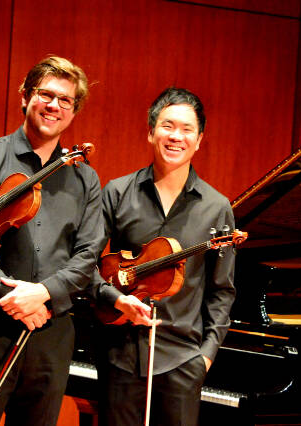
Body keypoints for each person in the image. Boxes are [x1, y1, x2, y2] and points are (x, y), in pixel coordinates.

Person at [0, 55, 151, 426]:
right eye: (45, 95)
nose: (54, 106)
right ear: (25, 97)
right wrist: (7, 293)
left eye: (65, 100)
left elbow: (86, 257)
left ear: (73, 112)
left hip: (51, 334)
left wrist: (41, 294)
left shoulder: (85, 179)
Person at [95, 87, 237, 425]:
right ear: (151, 131)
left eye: (187, 129)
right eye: (167, 126)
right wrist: (116, 300)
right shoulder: (117, 192)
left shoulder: (217, 209)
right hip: (121, 356)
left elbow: (222, 290)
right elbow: (87, 264)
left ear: (199, 139)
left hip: (183, 361)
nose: (176, 137)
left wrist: (205, 357)